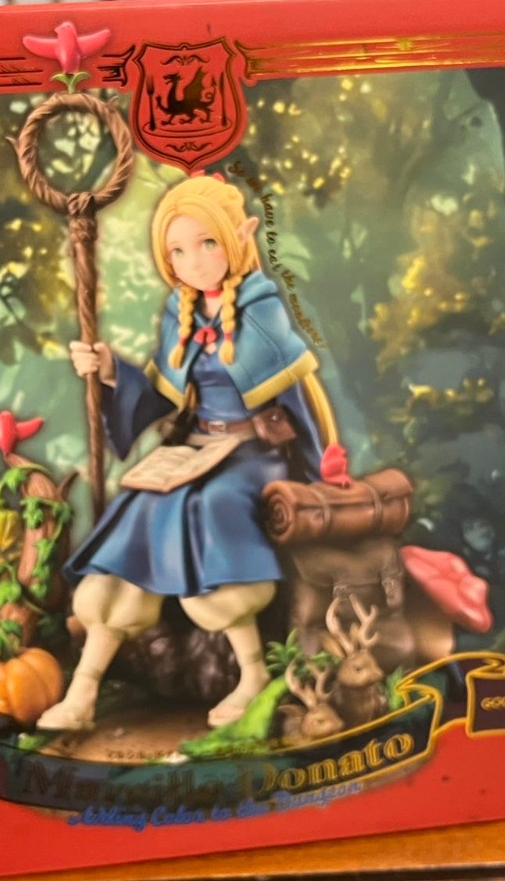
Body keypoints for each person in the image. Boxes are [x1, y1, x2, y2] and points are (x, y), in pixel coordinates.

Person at [37, 175, 347, 731]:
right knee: (141, 506)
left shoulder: (262, 313)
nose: (194, 261)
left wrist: (326, 461)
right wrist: (111, 371)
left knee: (211, 504)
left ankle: (252, 674)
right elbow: (162, 397)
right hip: (194, 447)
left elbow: (301, 395)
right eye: (178, 251)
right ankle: (84, 689)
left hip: (252, 456)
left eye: (207, 243)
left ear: (240, 235)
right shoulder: (181, 315)